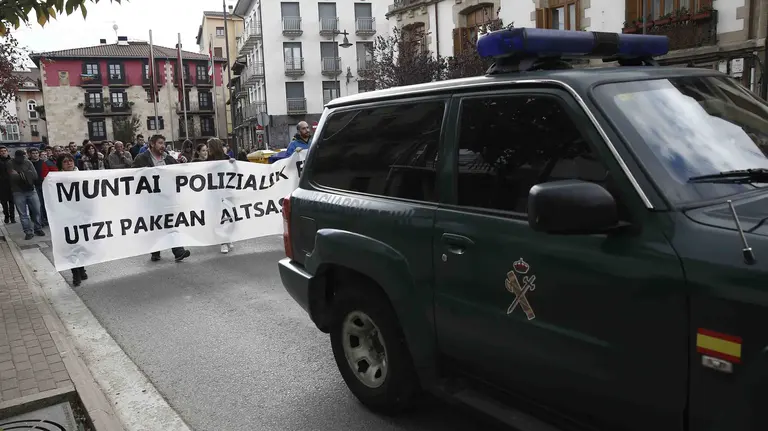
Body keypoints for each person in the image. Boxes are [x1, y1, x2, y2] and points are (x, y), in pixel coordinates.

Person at [132, 134, 191, 262]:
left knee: (169, 222)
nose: (163, 146)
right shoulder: (141, 158)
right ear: (152, 144)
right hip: (151, 199)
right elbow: (133, 176)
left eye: (163, 143)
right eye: (160, 143)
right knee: (155, 224)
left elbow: (178, 173)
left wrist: (182, 164)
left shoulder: (168, 158)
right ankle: (156, 250)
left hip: (167, 198)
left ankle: (178, 251)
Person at [198, 138, 237, 254]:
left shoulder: (227, 159)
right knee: (218, 217)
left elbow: (235, 173)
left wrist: (234, 164)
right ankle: (223, 242)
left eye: (209, 147)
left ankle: (228, 237)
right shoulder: (208, 160)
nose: (207, 150)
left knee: (230, 216)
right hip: (214, 193)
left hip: (227, 192)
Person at [56, 153, 88, 286]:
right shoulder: (56, 179)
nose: (69, 163)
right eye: (65, 162)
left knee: (82, 244)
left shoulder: (82, 176)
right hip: (67, 216)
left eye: (70, 161)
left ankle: (81, 268)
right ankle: (75, 273)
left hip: (81, 214)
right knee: (71, 245)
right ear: (61, 165)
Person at [8, 150, 44, 240]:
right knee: (23, 214)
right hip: (18, 191)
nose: (22, 158)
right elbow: (12, 177)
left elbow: (35, 175)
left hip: (31, 190)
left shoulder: (28, 162)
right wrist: (26, 174)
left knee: (37, 210)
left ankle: (38, 228)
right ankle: (28, 232)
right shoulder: (10, 163)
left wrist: (19, 174)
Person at [27, 148, 49, 227]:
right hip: (34, 186)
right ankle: (40, 220)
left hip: (43, 185)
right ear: (30, 154)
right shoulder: (28, 163)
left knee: (44, 203)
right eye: (33, 153)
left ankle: (46, 219)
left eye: (36, 153)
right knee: (38, 204)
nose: (35, 154)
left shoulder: (42, 162)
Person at [0, 146, 15, 224]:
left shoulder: (11, 160)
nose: (3, 152)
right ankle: (6, 216)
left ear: (7, 152)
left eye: (4, 151)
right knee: (4, 203)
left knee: (12, 202)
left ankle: (12, 218)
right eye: (1, 151)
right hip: (2, 185)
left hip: (11, 184)